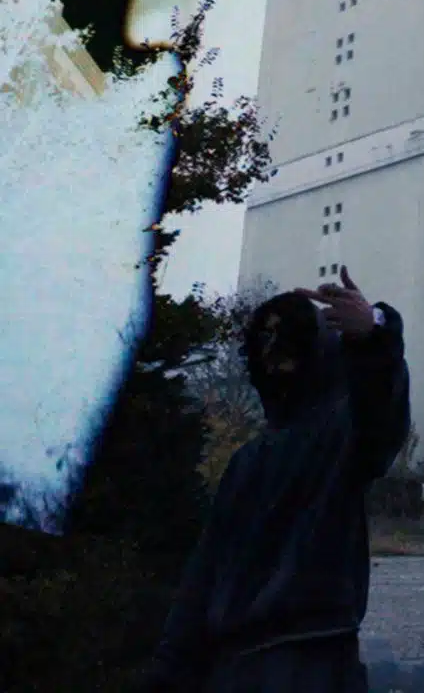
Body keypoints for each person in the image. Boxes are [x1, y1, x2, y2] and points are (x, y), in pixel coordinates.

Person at [143, 266, 410, 693]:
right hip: (233, 669)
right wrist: (169, 668)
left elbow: (381, 410)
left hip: (310, 666)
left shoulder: (341, 435)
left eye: (286, 340)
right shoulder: (248, 460)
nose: (273, 354)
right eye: (264, 341)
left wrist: (374, 333)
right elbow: (206, 570)